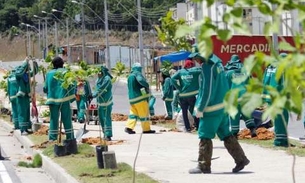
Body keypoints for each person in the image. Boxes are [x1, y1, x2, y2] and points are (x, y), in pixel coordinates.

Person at [188, 51, 250, 174]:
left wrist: (200, 108)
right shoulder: (218, 65)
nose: (196, 61)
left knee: (205, 136)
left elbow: (207, 90)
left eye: (196, 58)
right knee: (226, 134)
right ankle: (241, 159)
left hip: (211, 109)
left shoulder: (208, 67)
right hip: (222, 107)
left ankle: (203, 166)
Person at [43, 57, 76, 148]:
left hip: (52, 100)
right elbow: (72, 85)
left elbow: (45, 88)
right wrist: (72, 98)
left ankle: (52, 139)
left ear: (53, 64)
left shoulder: (49, 73)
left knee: (53, 119)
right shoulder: (66, 72)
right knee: (66, 119)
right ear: (62, 64)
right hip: (64, 99)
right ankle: (70, 138)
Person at [225, 54, 257, 138]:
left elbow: (226, 86)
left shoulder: (228, 73)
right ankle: (252, 129)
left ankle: (234, 133)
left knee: (234, 114)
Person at [262, 53, 290, 147]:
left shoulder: (270, 67)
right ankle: (280, 141)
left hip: (270, 96)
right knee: (282, 119)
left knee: (277, 119)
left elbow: (264, 81)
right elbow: (282, 83)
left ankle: (280, 139)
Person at [124, 62, 155, 134]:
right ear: (137, 69)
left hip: (132, 99)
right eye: (140, 68)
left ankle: (129, 127)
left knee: (133, 114)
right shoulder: (137, 74)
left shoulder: (130, 76)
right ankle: (146, 129)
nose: (140, 70)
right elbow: (141, 80)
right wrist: (146, 85)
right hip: (140, 98)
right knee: (144, 114)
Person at [171, 59, 201, 132]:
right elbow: (203, 70)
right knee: (196, 110)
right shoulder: (194, 71)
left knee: (184, 112)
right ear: (191, 65)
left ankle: (187, 128)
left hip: (182, 95)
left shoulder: (180, 72)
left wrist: (179, 87)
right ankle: (198, 126)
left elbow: (172, 78)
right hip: (192, 95)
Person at [15, 58, 38, 135]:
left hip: (26, 96)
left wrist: (34, 63)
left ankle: (26, 128)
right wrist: (25, 63)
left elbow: (34, 72)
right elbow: (20, 72)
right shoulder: (18, 75)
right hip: (21, 96)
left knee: (27, 112)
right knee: (22, 112)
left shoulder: (26, 75)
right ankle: (22, 129)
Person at [91, 66, 113, 141]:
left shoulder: (107, 79)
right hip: (100, 102)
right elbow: (96, 89)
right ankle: (104, 133)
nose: (98, 74)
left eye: (100, 72)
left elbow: (102, 89)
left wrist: (94, 95)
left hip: (106, 102)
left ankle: (108, 134)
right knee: (101, 118)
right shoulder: (98, 79)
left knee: (106, 118)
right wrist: (91, 95)